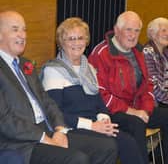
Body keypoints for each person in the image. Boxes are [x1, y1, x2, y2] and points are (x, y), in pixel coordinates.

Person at [0, 10, 118, 164]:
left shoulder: (24, 64)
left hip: (48, 129)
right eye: (15, 29)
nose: (23, 35)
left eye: (24, 29)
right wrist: (44, 138)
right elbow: (5, 120)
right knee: (77, 159)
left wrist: (59, 129)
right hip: (23, 142)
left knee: (107, 146)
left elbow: (47, 102)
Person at [40, 17, 144, 164]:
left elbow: (99, 103)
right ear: (61, 43)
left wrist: (104, 120)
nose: (77, 43)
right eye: (71, 39)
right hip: (71, 128)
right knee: (112, 145)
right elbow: (56, 114)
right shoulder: (53, 70)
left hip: (94, 124)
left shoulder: (88, 68)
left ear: (86, 40)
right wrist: (92, 126)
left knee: (128, 142)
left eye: (80, 38)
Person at [88, 11, 168, 164]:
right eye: (128, 30)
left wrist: (145, 109)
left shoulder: (138, 51)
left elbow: (148, 86)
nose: (133, 35)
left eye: (137, 30)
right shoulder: (101, 54)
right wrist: (133, 112)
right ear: (117, 30)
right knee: (136, 124)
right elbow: (100, 94)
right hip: (111, 112)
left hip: (137, 108)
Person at [143, 17, 168, 106]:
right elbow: (153, 86)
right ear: (153, 34)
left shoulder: (165, 53)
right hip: (155, 102)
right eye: (164, 30)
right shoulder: (147, 52)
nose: (167, 34)